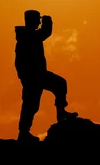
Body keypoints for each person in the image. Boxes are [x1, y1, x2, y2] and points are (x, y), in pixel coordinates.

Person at [15, 9, 78, 142]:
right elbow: (45, 33)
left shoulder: (29, 35)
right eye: (37, 19)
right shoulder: (27, 37)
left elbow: (43, 33)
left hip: (38, 75)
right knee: (31, 104)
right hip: (32, 77)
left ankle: (61, 114)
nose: (39, 21)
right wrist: (48, 22)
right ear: (32, 20)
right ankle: (23, 133)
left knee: (60, 85)